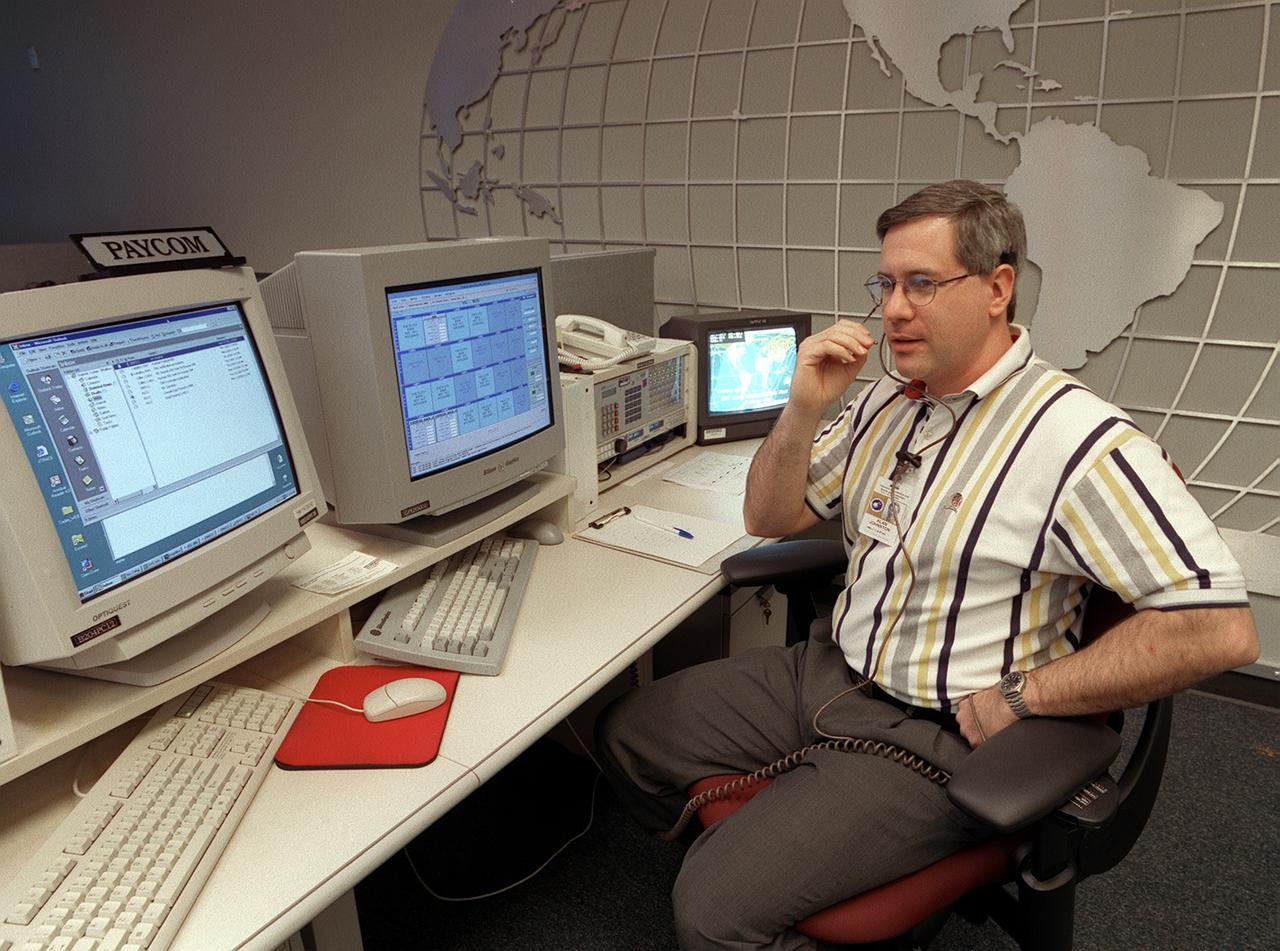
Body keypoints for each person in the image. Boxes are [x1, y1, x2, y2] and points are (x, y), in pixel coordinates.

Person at [595, 180, 1259, 951]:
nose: (893, 310)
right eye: (885, 284)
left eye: (921, 284)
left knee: (711, 912)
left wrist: (1025, 694)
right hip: (829, 671)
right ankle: (799, 838)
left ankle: (791, 871)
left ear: (996, 288)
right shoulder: (886, 401)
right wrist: (803, 407)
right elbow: (768, 518)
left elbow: (1221, 631)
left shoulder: (1078, 441)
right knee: (627, 734)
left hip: (940, 735)